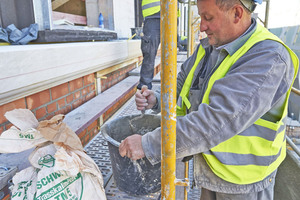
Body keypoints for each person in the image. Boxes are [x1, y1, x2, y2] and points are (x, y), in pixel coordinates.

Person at [120, 0, 299, 199]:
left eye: (208, 18)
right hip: (212, 170)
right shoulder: (211, 46)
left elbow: (216, 121)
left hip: (244, 185)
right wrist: (157, 101)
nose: (202, 26)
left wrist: (148, 144)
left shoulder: (268, 57)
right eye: (201, 17)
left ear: (237, 14)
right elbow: (183, 87)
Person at [137, 0, 161, 90]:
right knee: (149, 54)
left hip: (172, 16)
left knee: (171, 56)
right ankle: (144, 89)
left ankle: (171, 89)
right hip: (152, 16)